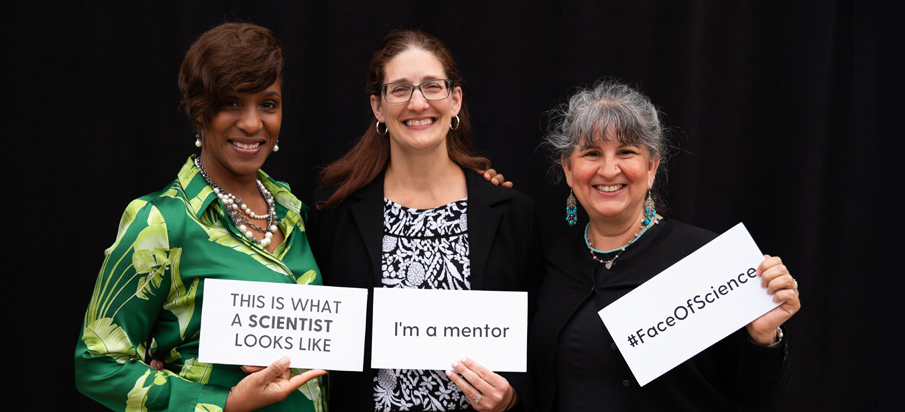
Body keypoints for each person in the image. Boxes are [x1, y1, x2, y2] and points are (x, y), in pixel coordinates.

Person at [73, 22, 327, 412]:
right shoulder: (160, 221)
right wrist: (222, 403)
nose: (253, 123)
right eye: (231, 103)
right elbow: (98, 365)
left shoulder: (297, 214)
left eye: (268, 103)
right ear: (199, 112)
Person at [527, 80, 801, 412]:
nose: (609, 169)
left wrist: (763, 339)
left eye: (626, 152)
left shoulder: (706, 259)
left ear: (652, 166)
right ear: (568, 169)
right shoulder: (551, 261)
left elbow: (757, 399)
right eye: (592, 153)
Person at [311, 30, 539, 412]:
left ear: (455, 100)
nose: (418, 103)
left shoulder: (511, 212)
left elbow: (540, 338)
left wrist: (513, 397)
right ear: (378, 107)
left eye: (432, 87)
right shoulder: (334, 214)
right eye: (399, 89)